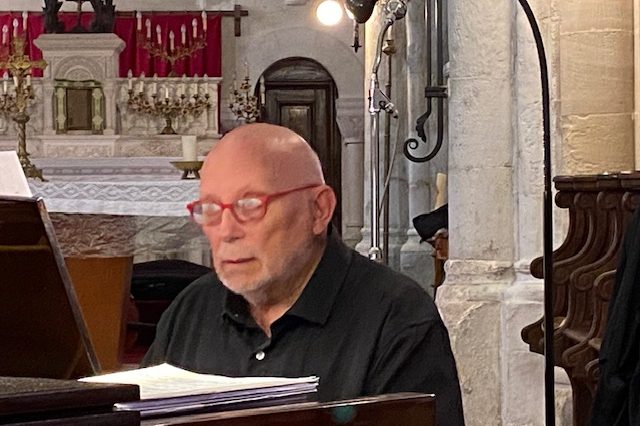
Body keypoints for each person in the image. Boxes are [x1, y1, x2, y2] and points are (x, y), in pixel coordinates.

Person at [142, 123, 465, 425]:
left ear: (319, 209)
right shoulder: (191, 310)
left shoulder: (398, 319)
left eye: (250, 205)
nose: (227, 231)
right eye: (211, 209)